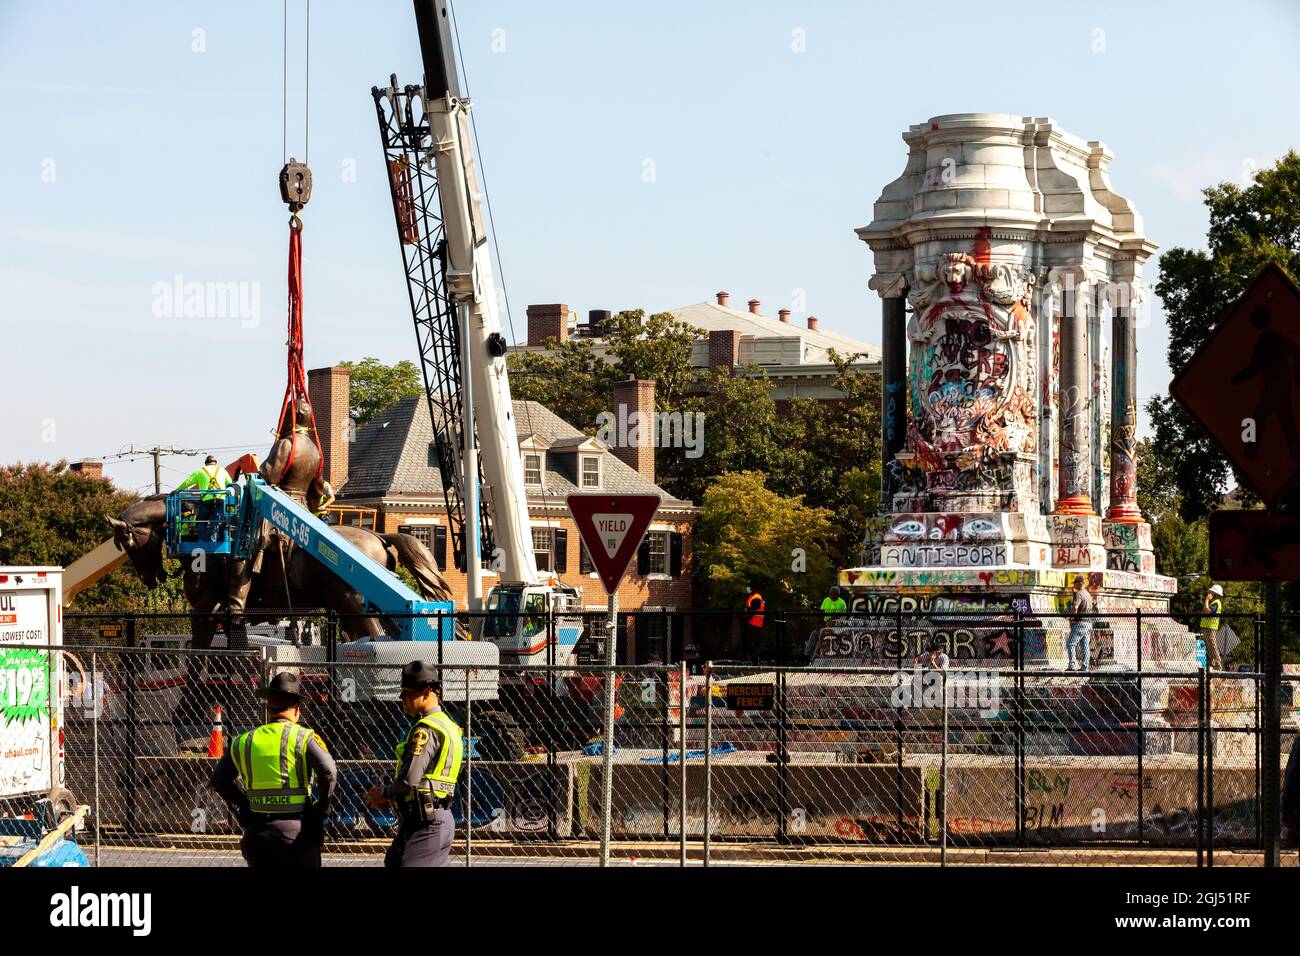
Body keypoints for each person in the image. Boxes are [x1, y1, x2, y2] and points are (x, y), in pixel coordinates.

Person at [209, 671, 336, 868]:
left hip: (258, 834)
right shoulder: (304, 738)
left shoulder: (245, 741)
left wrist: (244, 802)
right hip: (295, 833)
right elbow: (328, 772)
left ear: (269, 707)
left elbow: (219, 780)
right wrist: (322, 807)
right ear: (296, 709)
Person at [365, 661, 463, 867]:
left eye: (407, 694)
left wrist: (383, 792)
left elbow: (409, 780)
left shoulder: (425, 730)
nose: (402, 700)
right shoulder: (449, 726)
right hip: (433, 817)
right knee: (393, 861)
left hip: (426, 821)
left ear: (426, 693)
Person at [177, 455, 233, 541]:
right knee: (215, 522)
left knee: (201, 520)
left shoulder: (200, 471)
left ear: (206, 463)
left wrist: (177, 490)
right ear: (215, 463)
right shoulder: (222, 470)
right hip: (220, 500)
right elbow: (230, 483)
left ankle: (202, 540)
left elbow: (187, 482)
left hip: (206, 501)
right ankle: (212, 541)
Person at [1065, 575, 1094, 671]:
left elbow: (1075, 607)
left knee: (1070, 644)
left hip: (1080, 623)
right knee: (1085, 645)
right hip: (1089, 623)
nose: (1074, 585)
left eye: (1075, 582)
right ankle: (1085, 666)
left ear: (1080, 583)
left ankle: (1072, 665)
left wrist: (1073, 619)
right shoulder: (1088, 595)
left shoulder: (1078, 594)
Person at [1199, 584, 1225, 670]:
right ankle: (1211, 664)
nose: (1209, 594)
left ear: (1214, 594)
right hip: (1207, 627)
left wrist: (1206, 600)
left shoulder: (1216, 603)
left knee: (1213, 647)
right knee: (1209, 647)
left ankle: (1218, 666)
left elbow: (1207, 611)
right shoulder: (1213, 603)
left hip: (1210, 628)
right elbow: (1204, 611)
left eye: (1210, 593)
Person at [743, 586, 765, 664]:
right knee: (753, 644)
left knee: (754, 644)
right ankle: (754, 662)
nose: (747, 588)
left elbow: (752, 610)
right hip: (753, 623)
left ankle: (755, 663)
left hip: (755, 624)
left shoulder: (756, 597)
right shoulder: (752, 596)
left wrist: (746, 617)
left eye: (749, 587)